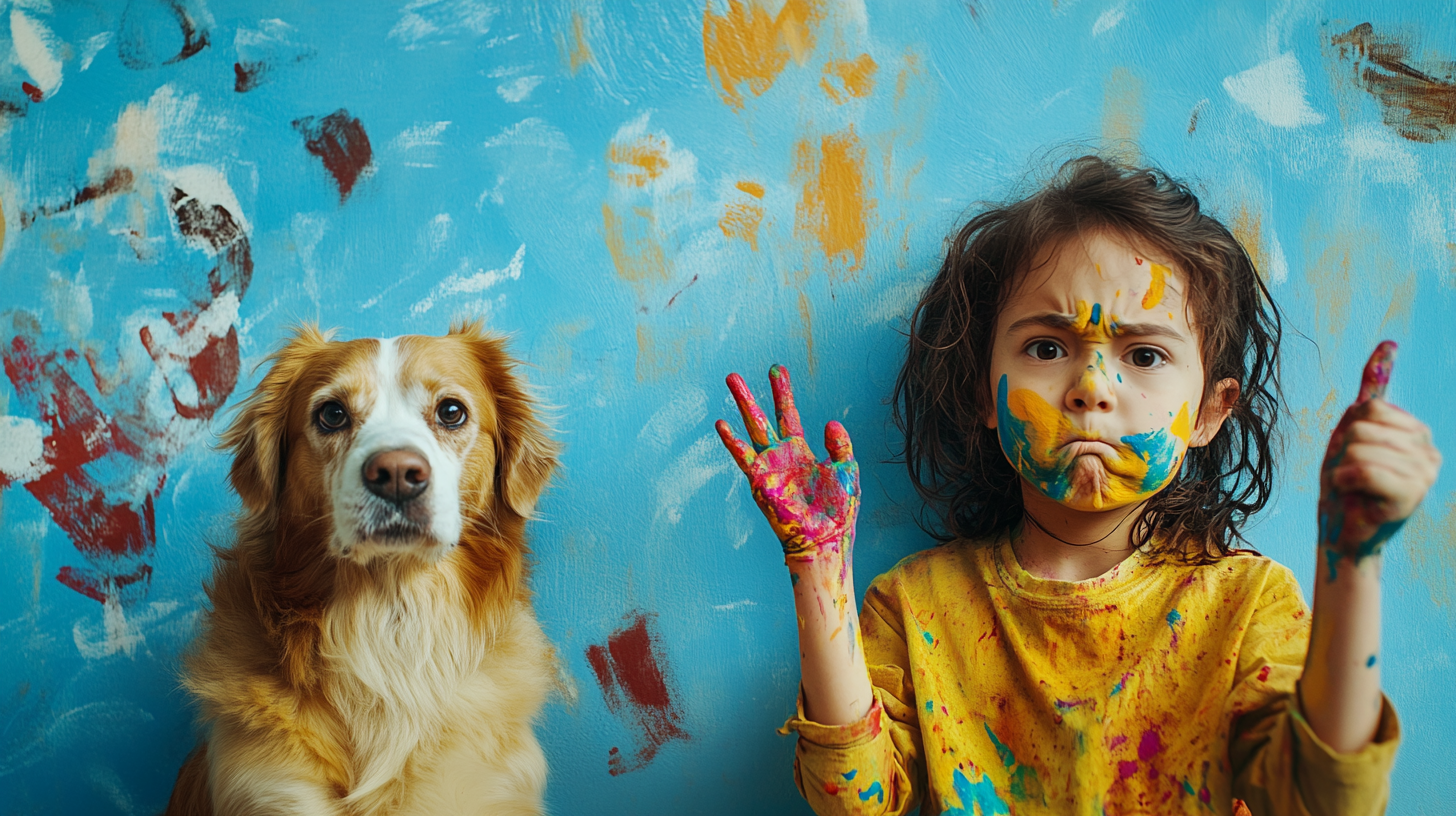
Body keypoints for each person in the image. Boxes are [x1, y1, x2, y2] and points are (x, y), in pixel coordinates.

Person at [715, 156, 1441, 815]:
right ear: (980, 392)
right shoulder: (915, 607)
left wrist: (1353, 560)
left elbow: (1327, 803)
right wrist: (817, 570)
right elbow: (852, 802)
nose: (1092, 386)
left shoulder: (1246, 608)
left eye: (1146, 353)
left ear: (1211, 412)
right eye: (1047, 347)